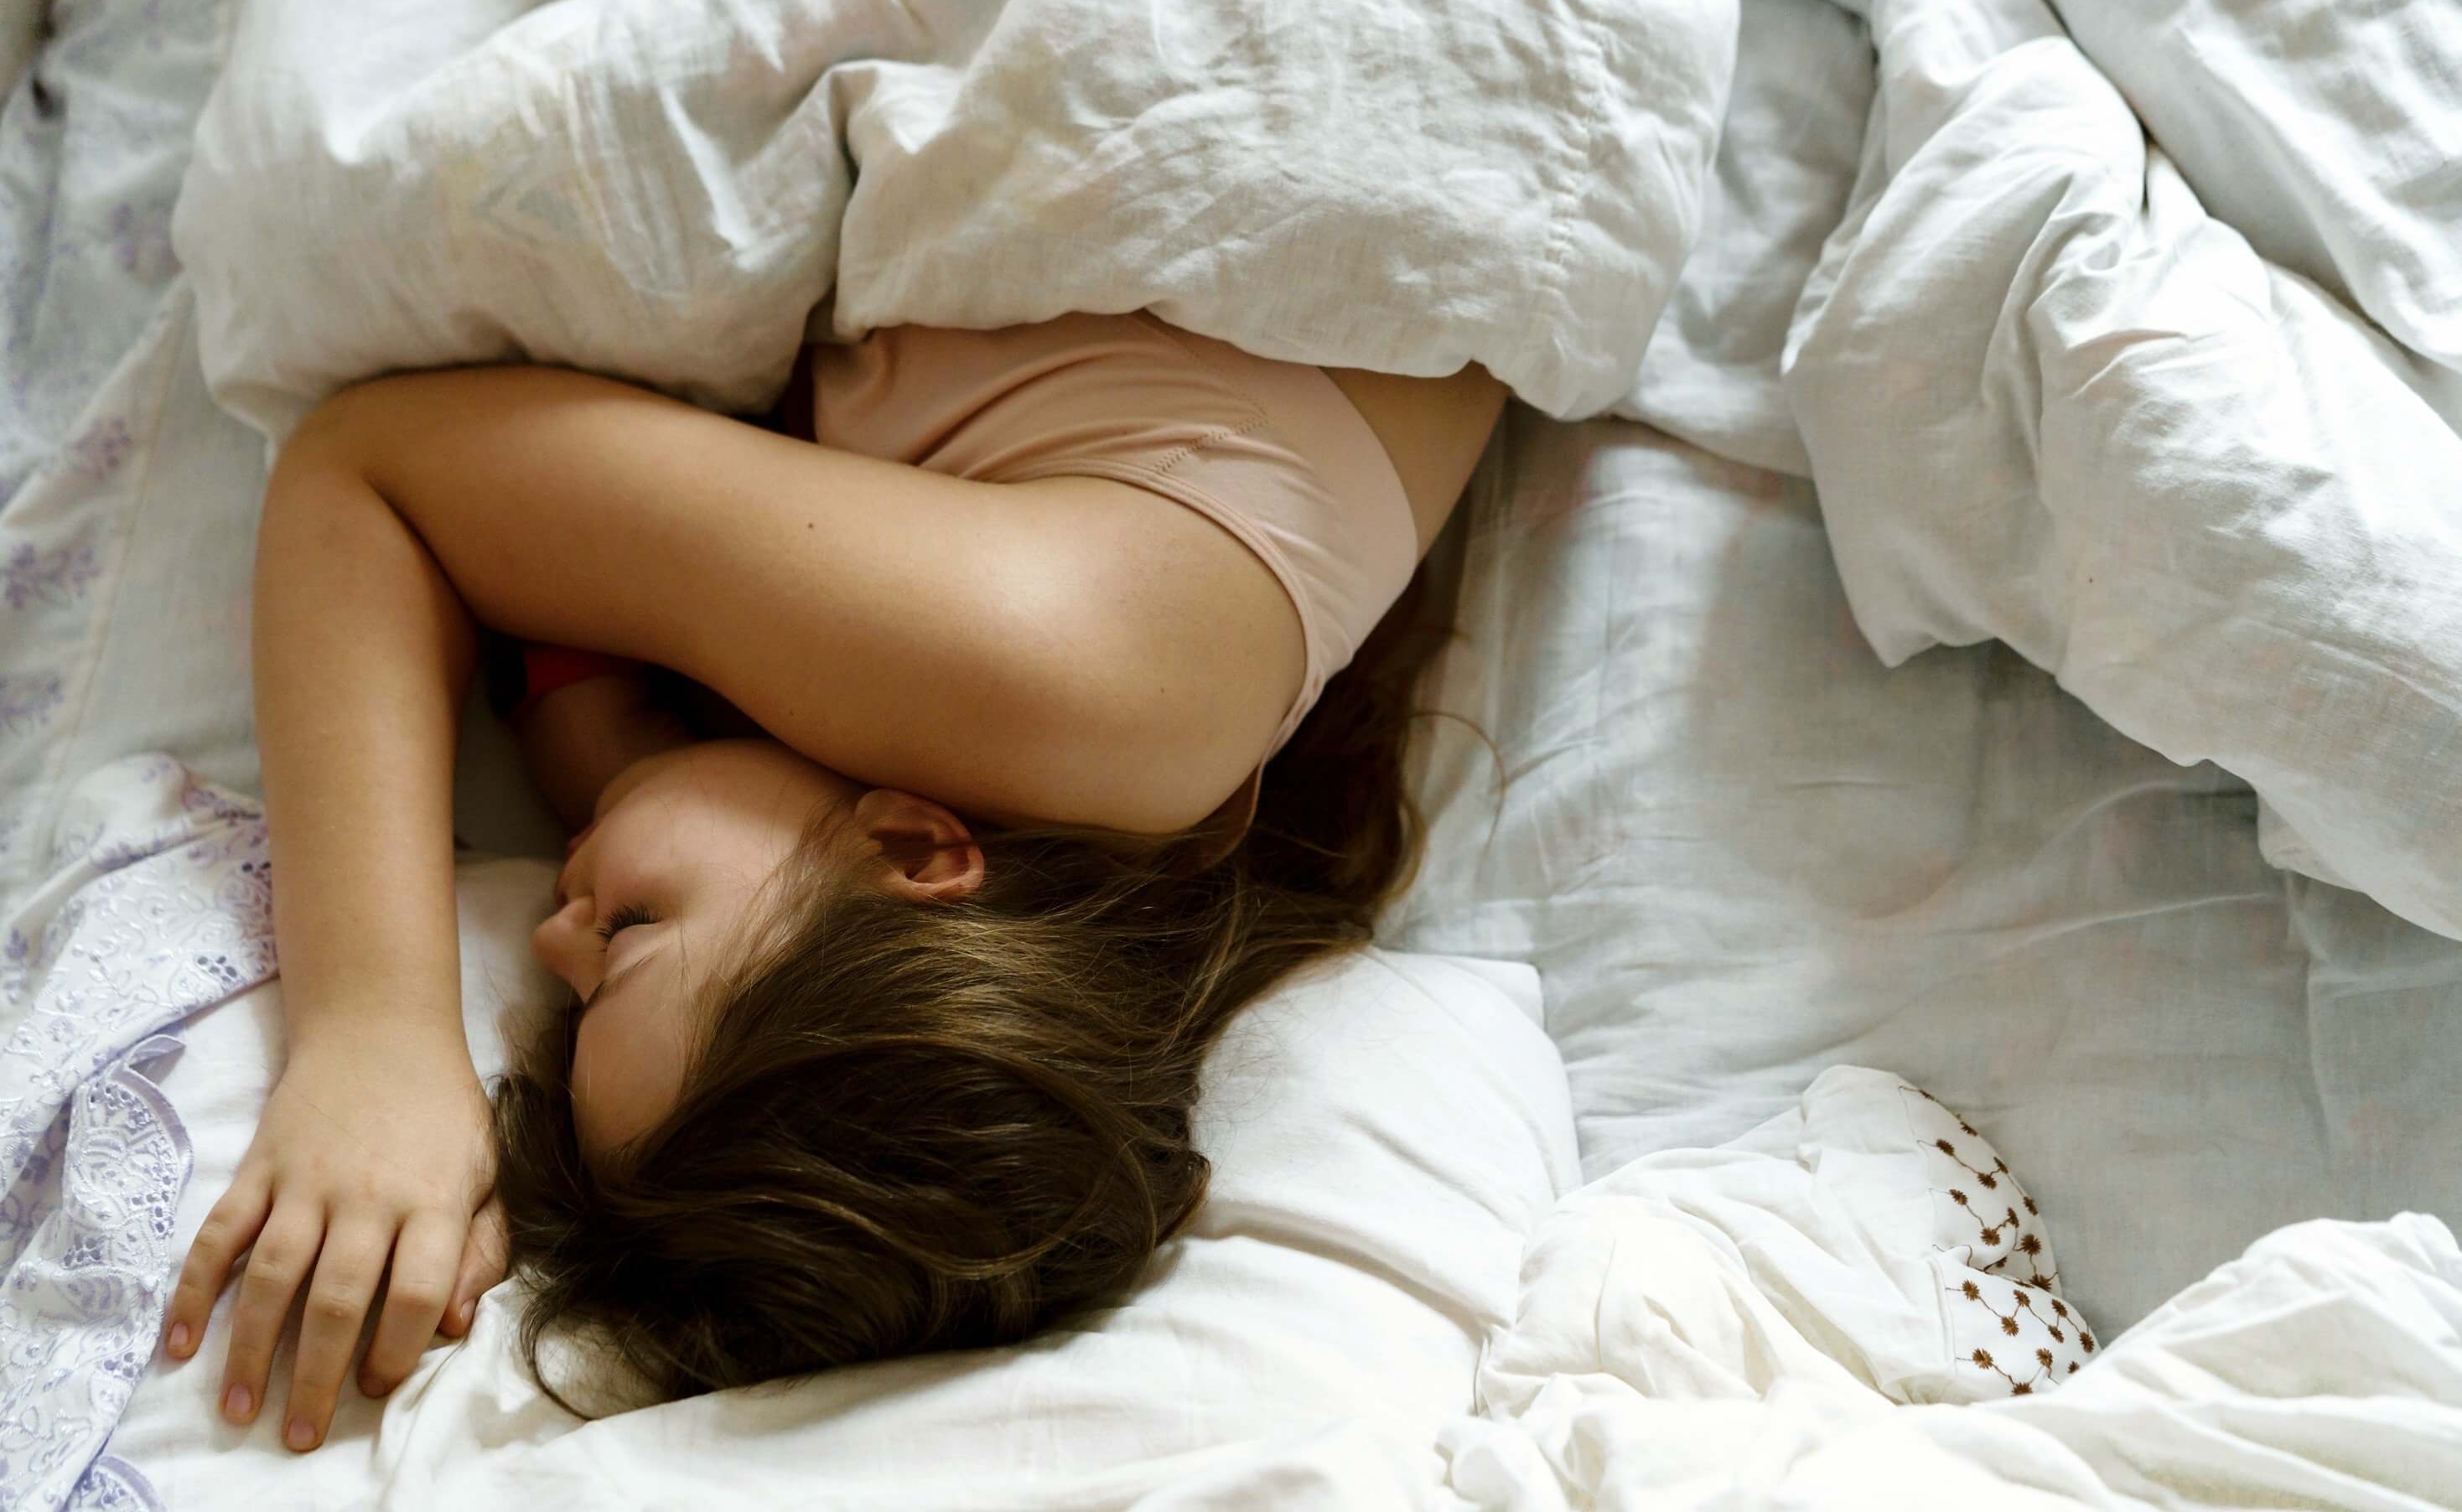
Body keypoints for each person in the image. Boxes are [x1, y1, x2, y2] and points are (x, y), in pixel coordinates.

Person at [156, 311, 1507, 1447]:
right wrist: (375, 1029)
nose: (556, 925)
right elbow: (373, 472)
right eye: (626, 932)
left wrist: (622, 757)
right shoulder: (1052, 684)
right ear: (921, 851)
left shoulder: (1130, 796)